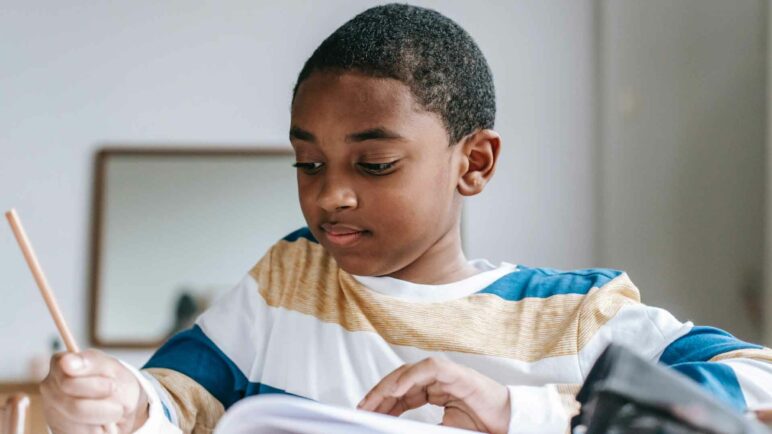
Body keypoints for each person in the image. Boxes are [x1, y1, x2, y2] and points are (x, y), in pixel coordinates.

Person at [39, 4, 772, 434]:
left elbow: (758, 387)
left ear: (473, 163)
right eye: (308, 163)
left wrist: (517, 410)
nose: (330, 197)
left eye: (375, 164)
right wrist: (118, 397)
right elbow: (174, 401)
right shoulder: (289, 283)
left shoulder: (572, 315)